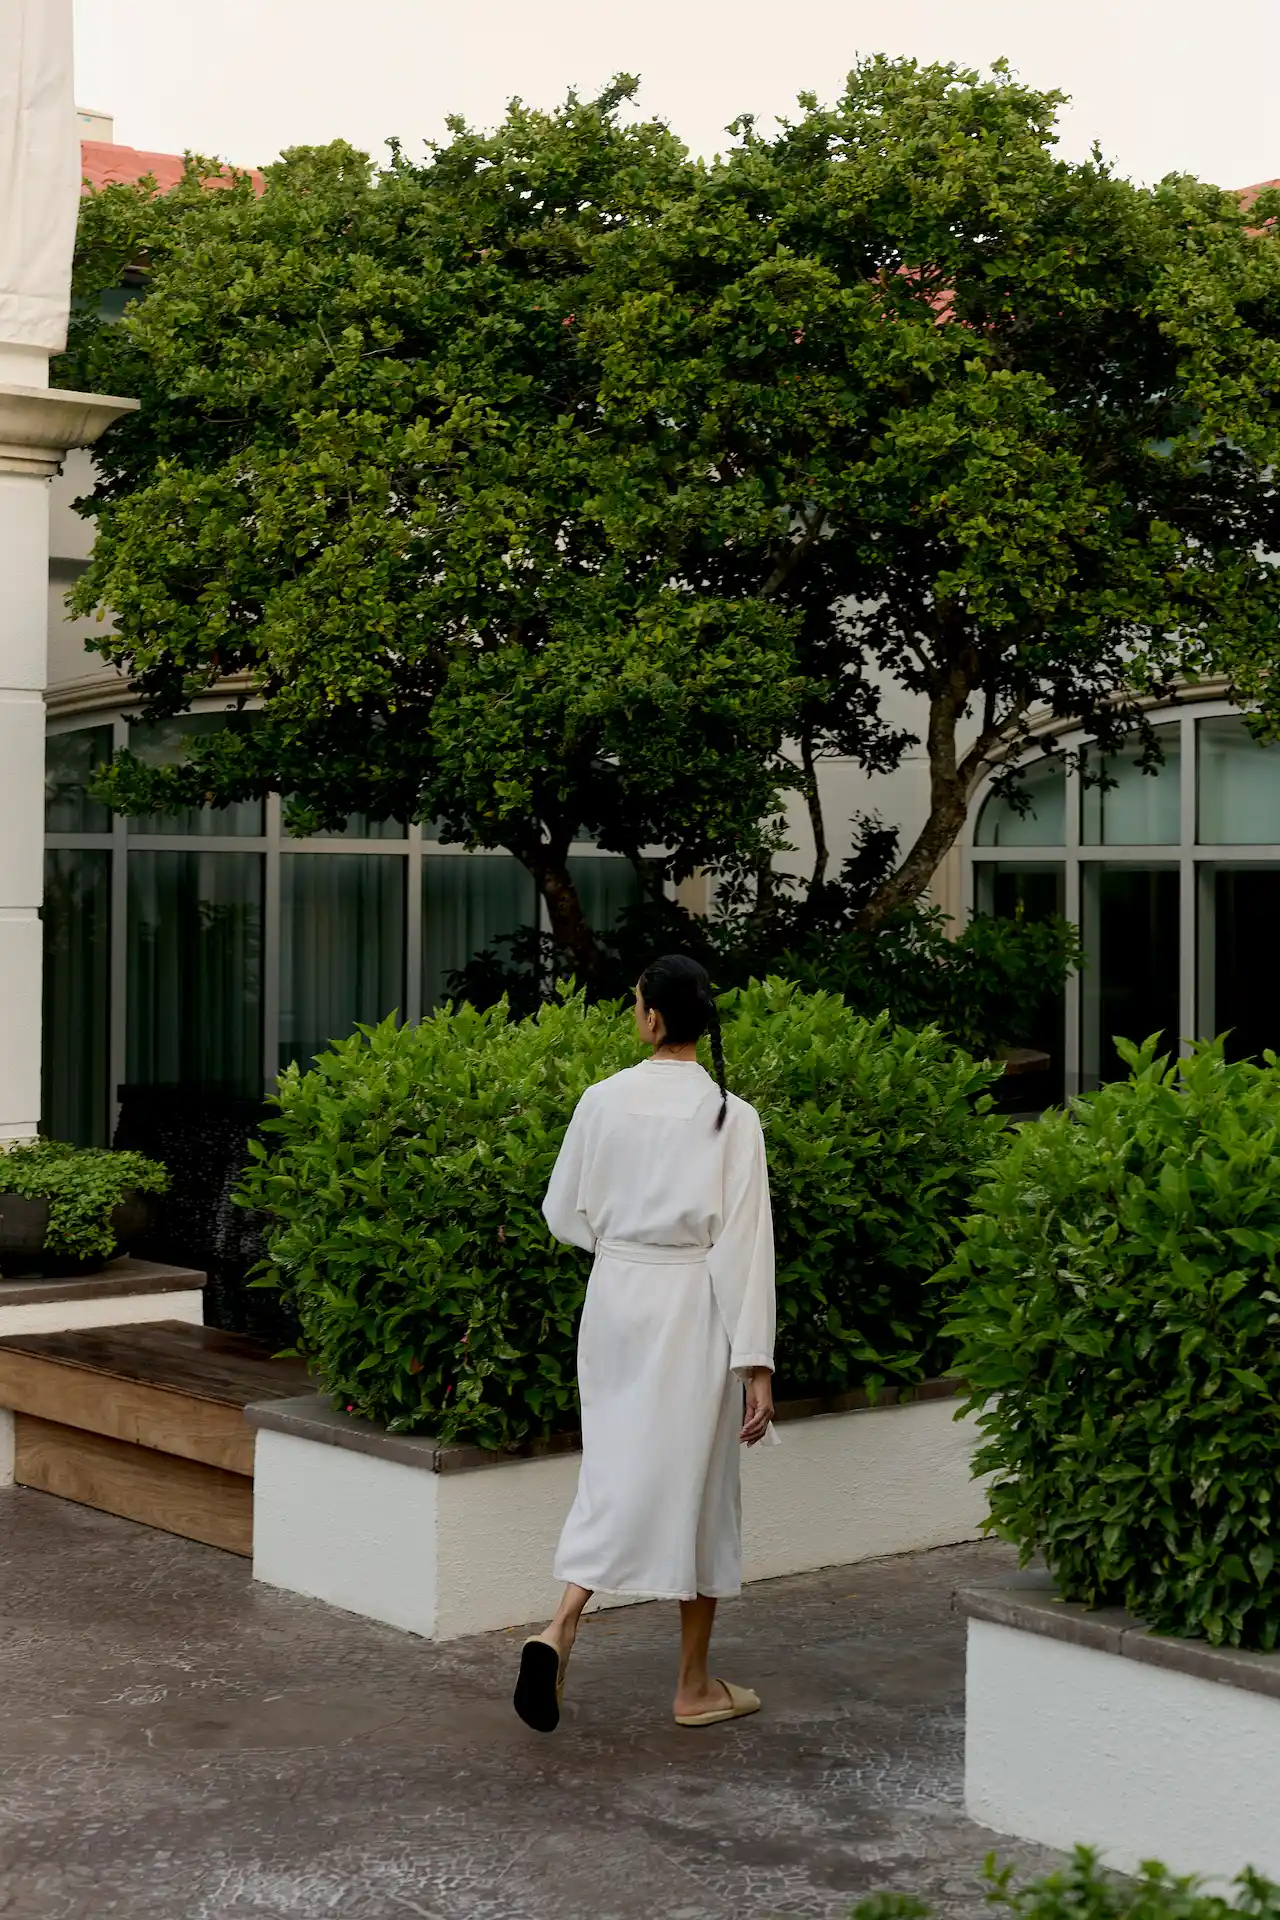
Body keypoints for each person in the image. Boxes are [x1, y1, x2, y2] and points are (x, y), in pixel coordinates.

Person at [513, 954, 776, 1735]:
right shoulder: (734, 1116)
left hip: (618, 1298)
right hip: (695, 1305)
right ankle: (693, 1686)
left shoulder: (602, 1100)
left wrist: (622, 1248)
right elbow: (746, 1246)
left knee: (616, 1466)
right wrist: (755, 1363)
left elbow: (562, 1210)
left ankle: (559, 1626)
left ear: (651, 1018)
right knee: (699, 1482)